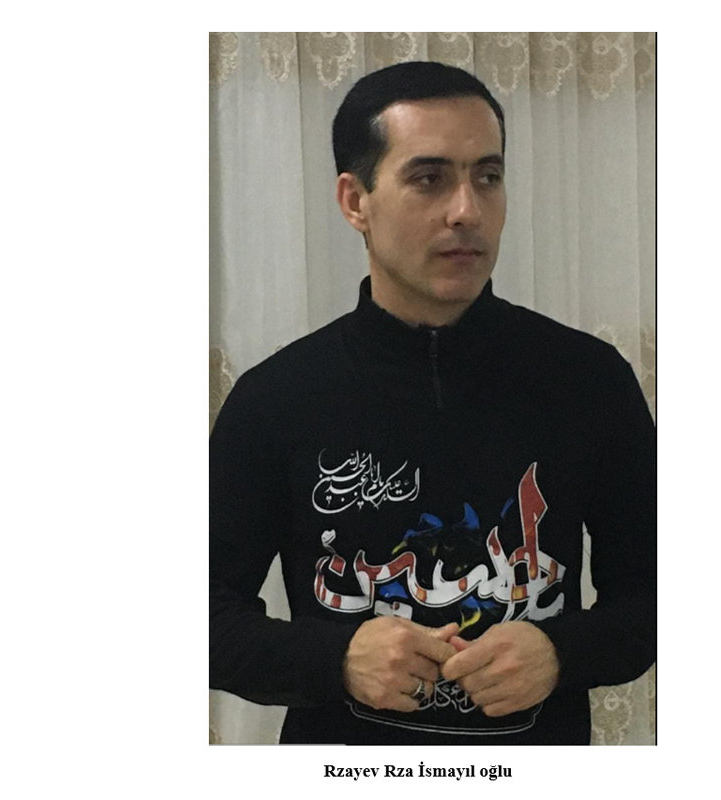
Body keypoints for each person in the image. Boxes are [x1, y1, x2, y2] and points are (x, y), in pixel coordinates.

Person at [210, 61, 655, 745]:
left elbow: (656, 596)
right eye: (429, 178)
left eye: (488, 177)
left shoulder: (589, 381)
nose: (467, 211)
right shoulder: (276, 400)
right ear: (355, 201)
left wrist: (563, 651)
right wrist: (335, 658)